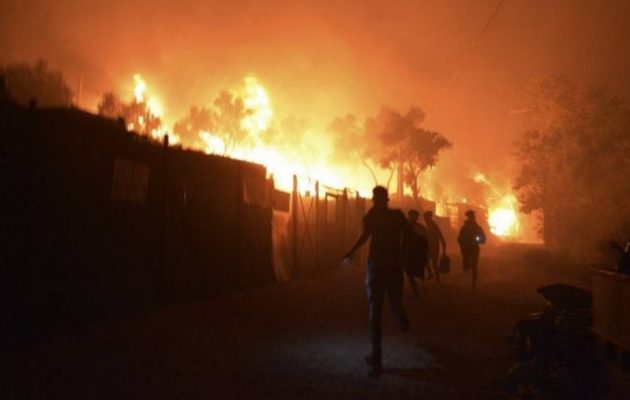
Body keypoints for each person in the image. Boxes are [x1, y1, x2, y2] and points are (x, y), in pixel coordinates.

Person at [343, 186, 410, 377]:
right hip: (394, 267)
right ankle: (399, 316)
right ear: (387, 199)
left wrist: (351, 251)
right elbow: (407, 235)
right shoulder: (397, 217)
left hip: (377, 267)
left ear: (375, 199)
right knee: (395, 300)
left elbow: (364, 237)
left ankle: (377, 359)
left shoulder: (372, 216)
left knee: (375, 312)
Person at [402, 209, 428, 300]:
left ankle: (420, 290)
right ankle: (417, 291)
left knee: (416, 272)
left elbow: (425, 242)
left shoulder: (420, 228)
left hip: (416, 254)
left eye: (413, 216)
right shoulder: (407, 228)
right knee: (410, 273)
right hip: (410, 254)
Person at [457, 210, 486, 289]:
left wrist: (478, 240)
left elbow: (483, 240)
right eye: (469, 218)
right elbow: (459, 239)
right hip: (466, 250)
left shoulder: (478, 228)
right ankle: (469, 265)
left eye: (471, 218)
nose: (471, 219)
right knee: (466, 267)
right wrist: (462, 247)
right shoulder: (464, 228)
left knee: (474, 266)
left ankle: (473, 283)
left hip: (474, 249)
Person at [423, 211, 446, 282]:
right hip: (429, 247)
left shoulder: (433, 226)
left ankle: (437, 278)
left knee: (434, 264)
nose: (424, 219)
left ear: (429, 217)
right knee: (426, 262)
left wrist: (444, 251)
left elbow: (441, 237)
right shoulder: (427, 226)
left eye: (425, 218)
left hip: (434, 248)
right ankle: (432, 275)